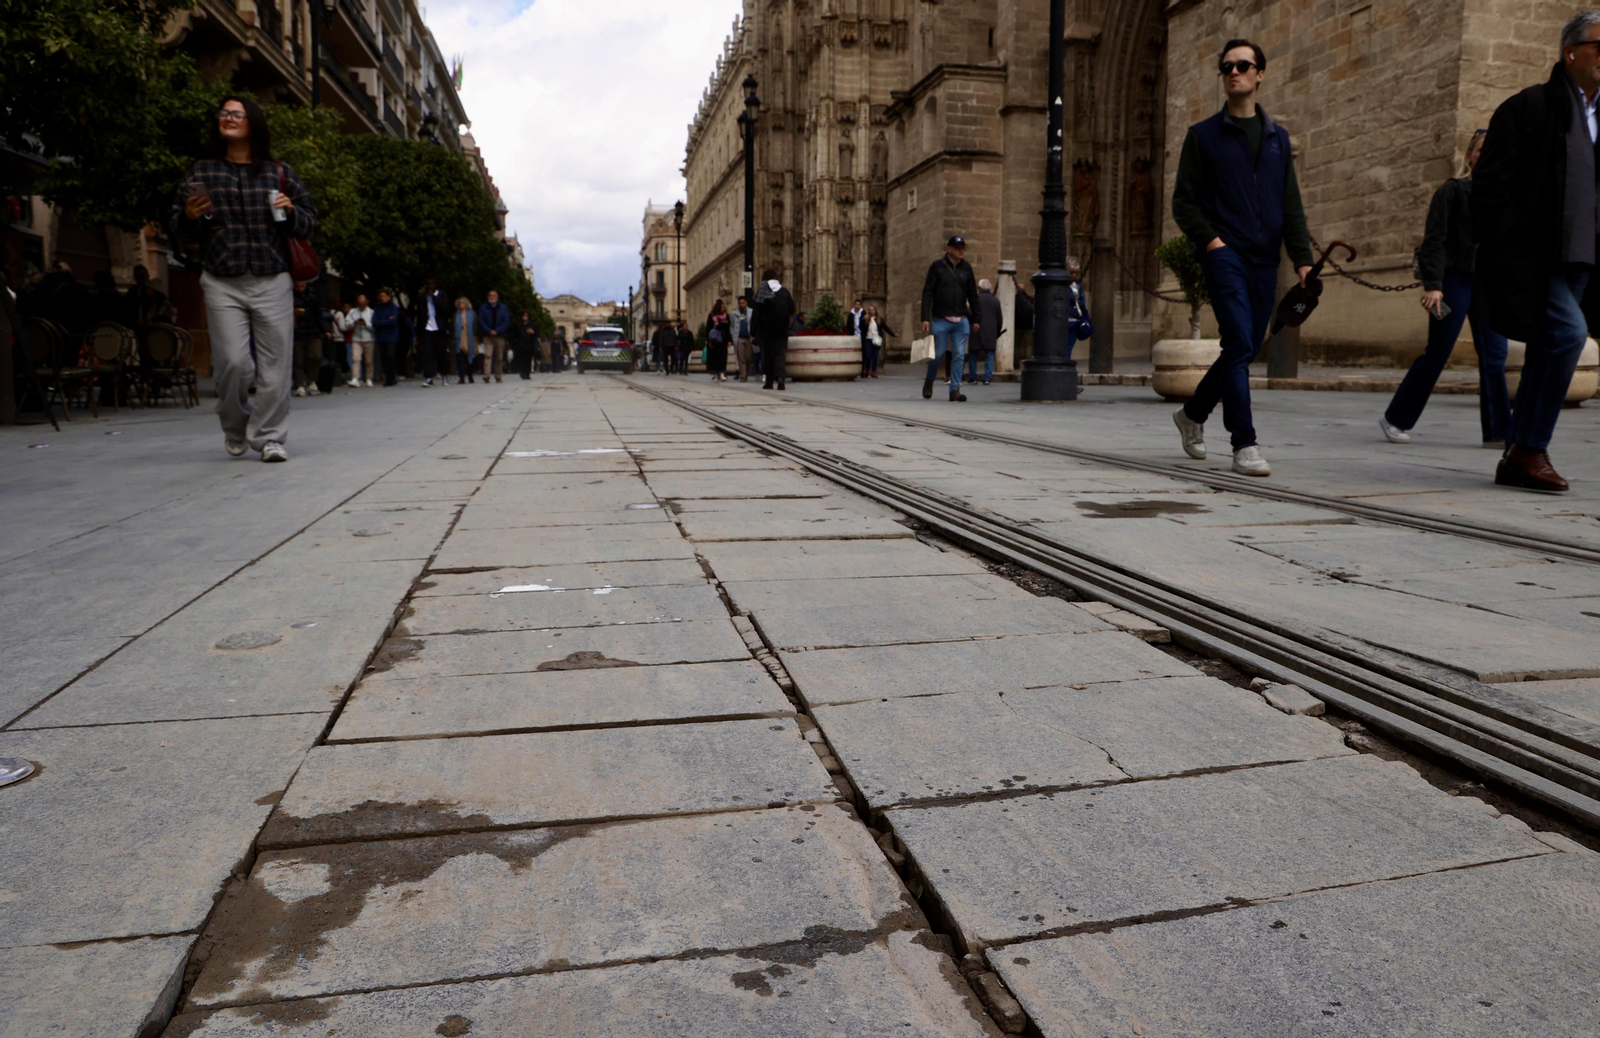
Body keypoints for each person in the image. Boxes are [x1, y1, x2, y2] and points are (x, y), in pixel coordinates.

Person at [1171, 39, 1314, 477]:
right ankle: (1244, 443)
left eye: (1243, 65)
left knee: (1246, 346)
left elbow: (1290, 204)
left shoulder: (1277, 139)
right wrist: (1212, 242)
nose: (1234, 72)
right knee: (1238, 341)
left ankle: (1192, 413)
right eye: (1227, 66)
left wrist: (1303, 258)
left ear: (1260, 74)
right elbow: (1184, 202)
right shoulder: (1203, 137)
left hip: (1265, 259)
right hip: (1225, 253)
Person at [1473, 12, 1600, 492]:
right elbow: (1488, 189)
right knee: (1569, 335)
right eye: (1599, 47)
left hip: (1582, 256)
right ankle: (1529, 448)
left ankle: (1515, 455)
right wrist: (1508, 242)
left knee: (1549, 348)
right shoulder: (1530, 108)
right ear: (1571, 53)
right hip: (1534, 255)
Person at [170, 95, 316, 462]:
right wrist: (190, 215)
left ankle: (269, 438)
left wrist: (291, 210)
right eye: (224, 113)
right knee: (234, 363)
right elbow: (180, 231)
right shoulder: (201, 172)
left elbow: (310, 221)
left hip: (272, 277)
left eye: (237, 114)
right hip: (222, 279)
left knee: (275, 366)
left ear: (253, 122)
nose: (228, 118)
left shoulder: (278, 171)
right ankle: (234, 426)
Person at [1380, 131, 1509, 447]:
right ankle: (1395, 418)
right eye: (1481, 150)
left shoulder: (1504, 197)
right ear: (1469, 156)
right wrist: (1434, 286)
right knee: (1438, 351)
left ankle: (1499, 433)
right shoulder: (1452, 191)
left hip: (1489, 283)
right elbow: (1434, 241)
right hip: (1454, 280)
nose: (1487, 154)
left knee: (1495, 355)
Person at [920, 235, 981, 401]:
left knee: (959, 355)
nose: (961, 251)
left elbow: (973, 295)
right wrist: (925, 317)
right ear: (949, 249)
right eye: (957, 248)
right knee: (938, 354)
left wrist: (976, 319)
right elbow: (928, 292)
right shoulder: (937, 267)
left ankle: (955, 389)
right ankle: (929, 381)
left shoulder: (966, 268)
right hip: (941, 318)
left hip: (961, 319)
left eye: (963, 248)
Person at [752, 268, 795, 390]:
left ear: (764, 280)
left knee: (768, 355)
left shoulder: (762, 291)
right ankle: (781, 377)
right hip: (782, 329)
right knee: (780, 353)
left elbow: (756, 313)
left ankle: (769, 381)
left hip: (766, 330)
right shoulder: (785, 291)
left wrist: (753, 331)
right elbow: (792, 310)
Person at [968, 279, 1005, 385]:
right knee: (989, 354)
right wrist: (997, 331)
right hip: (990, 331)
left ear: (979, 288)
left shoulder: (975, 300)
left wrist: (971, 325)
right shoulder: (995, 301)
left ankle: (973, 377)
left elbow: (970, 314)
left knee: (973, 354)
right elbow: (999, 319)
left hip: (976, 329)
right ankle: (987, 378)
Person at [415, 278, 450, 386]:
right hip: (427, 328)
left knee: (441, 353)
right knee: (428, 354)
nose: (430, 286)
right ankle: (429, 377)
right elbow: (420, 314)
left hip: (439, 328)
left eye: (432, 284)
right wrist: (419, 333)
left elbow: (444, 309)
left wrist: (434, 297)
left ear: (436, 285)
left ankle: (444, 374)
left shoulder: (442, 295)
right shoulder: (422, 297)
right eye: (428, 284)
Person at [292, 281, 323, 397]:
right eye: (298, 286)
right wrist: (293, 314)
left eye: (302, 286)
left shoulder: (312, 298)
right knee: (298, 360)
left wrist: (325, 329)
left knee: (316, 356)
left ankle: (311, 381)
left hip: (312, 332)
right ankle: (299, 384)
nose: (300, 288)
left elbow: (318, 315)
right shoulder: (290, 298)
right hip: (297, 333)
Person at [478, 288, 510, 383]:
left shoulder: (503, 307)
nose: (491, 297)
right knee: (488, 355)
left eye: (493, 295)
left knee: (499, 357)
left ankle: (498, 375)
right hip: (488, 335)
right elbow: (481, 321)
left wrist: (498, 330)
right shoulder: (484, 307)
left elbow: (506, 321)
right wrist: (489, 331)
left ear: (497, 297)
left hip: (500, 335)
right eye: (490, 295)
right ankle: (487, 375)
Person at [344, 293, 375, 387]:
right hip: (356, 338)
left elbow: (375, 326)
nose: (361, 304)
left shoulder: (371, 312)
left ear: (366, 302)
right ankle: (355, 378)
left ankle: (369, 378)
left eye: (363, 302)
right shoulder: (353, 311)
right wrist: (354, 323)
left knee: (368, 360)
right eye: (359, 302)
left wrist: (365, 324)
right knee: (356, 359)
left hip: (369, 338)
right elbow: (346, 323)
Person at [372, 288, 401, 387]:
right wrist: (386, 321)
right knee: (383, 358)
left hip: (391, 336)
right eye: (381, 296)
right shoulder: (377, 308)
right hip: (381, 336)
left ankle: (392, 377)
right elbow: (374, 322)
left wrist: (382, 321)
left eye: (384, 296)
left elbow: (393, 321)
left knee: (390, 355)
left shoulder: (393, 307)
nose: (382, 298)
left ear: (388, 297)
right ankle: (388, 378)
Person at [1065, 257, 1091, 360]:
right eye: (1071, 272)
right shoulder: (1061, 285)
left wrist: (1086, 319)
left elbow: (1082, 304)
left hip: (1075, 323)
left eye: (1076, 272)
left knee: (1068, 350)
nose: (1074, 275)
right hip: (1065, 322)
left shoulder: (1077, 286)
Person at [860, 304, 892, 378]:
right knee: (868, 355)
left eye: (873, 309)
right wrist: (863, 320)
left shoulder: (879, 319)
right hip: (868, 339)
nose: (871, 311)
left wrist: (893, 334)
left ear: (875, 311)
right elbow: (860, 327)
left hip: (876, 339)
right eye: (870, 310)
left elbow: (885, 327)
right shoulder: (866, 318)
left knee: (875, 355)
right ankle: (867, 369)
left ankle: (873, 371)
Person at [451, 296, 478, 382]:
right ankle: (461, 377)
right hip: (459, 338)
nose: (460, 304)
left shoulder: (472, 314)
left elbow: (476, 326)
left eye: (462, 303)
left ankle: (470, 375)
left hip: (469, 337)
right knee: (460, 358)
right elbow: (452, 327)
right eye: (459, 303)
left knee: (470, 357)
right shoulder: (456, 315)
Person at [706, 299, 731, 381]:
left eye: (723, 307)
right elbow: (708, 328)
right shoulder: (712, 316)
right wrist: (707, 339)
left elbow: (728, 328)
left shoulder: (726, 316)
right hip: (714, 339)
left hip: (723, 339)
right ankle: (716, 373)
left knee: (723, 357)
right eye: (721, 307)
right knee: (715, 357)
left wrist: (729, 340)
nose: (723, 308)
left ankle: (722, 373)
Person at [732, 295, 754, 381]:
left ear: (746, 303)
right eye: (739, 303)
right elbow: (732, 326)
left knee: (748, 358)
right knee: (741, 358)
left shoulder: (751, 312)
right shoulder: (734, 314)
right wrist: (733, 334)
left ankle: (746, 372)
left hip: (749, 338)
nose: (741, 304)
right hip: (739, 338)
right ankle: (743, 375)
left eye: (742, 303)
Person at [514, 310, 539, 379]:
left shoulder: (532, 324)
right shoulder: (518, 324)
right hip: (521, 344)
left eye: (526, 315)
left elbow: (537, 334)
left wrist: (532, 332)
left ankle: (527, 373)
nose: (525, 317)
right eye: (524, 315)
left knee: (528, 359)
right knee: (522, 359)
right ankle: (522, 372)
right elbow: (515, 334)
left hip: (530, 344)